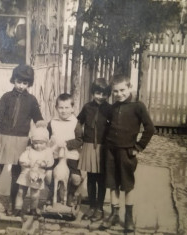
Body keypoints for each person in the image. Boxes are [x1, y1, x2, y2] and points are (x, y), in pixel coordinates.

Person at [0, 64, 43, 215]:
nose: (21, 86)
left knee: (16, 174)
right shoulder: (6, 97)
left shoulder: (32, 100)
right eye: (18, 82)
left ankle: (13, 205)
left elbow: (38, 117)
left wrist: (42, 127)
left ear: (29, 84)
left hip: (22, 141)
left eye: (25, 83)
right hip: (3, 139)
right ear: (14, 80)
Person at [100, 74, 155, 232]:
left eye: (122, 90)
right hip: (110, 150)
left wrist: (138, 147)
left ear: (130, 88)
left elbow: (150, 129)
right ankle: (114, 214)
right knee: (112, 183)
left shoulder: (138, 106)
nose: (119, 94)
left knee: (127, 185)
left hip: (126, 152)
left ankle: (129, 217)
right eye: (115, 91)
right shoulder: (113, 107)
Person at [77, 78, 112, 222]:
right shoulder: (87, 107)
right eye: (98, 93)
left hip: (104, 148)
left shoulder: (110, 109)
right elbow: (79, 121)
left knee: (101, 179)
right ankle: (91, 206)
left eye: (104, 94)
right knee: (91, 178)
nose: (101, 97)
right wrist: (79, 137)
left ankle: (100, 208)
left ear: (107, 95)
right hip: (89, 145)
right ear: (93, 93)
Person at [47, 93, 83, 206]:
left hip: (71, 156)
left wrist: (67, 144)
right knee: (48, 176)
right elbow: (47, 138)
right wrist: (49, 142)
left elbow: (80, 140)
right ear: (56, 108)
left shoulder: (75, 123)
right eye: (61, 107)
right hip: (55, 156)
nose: (64, 111)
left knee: (76, 178)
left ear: (72, 108)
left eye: (67, 107)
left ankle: (70, 194)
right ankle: (54, 193)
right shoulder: (52, 122)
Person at [14, 122, 54, 217]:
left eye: (41, 143)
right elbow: (22, 160)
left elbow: (50, 163)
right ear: (32, 142)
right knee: (21, 191)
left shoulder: (47, 152)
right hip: (26, 173)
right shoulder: (29, 150)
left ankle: (33, 209)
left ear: (46, 142)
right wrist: (29, 163)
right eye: (35, 143)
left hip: (38, 175)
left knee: (35, 194)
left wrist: (43, 163)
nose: (38, 146)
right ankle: (17, 208)